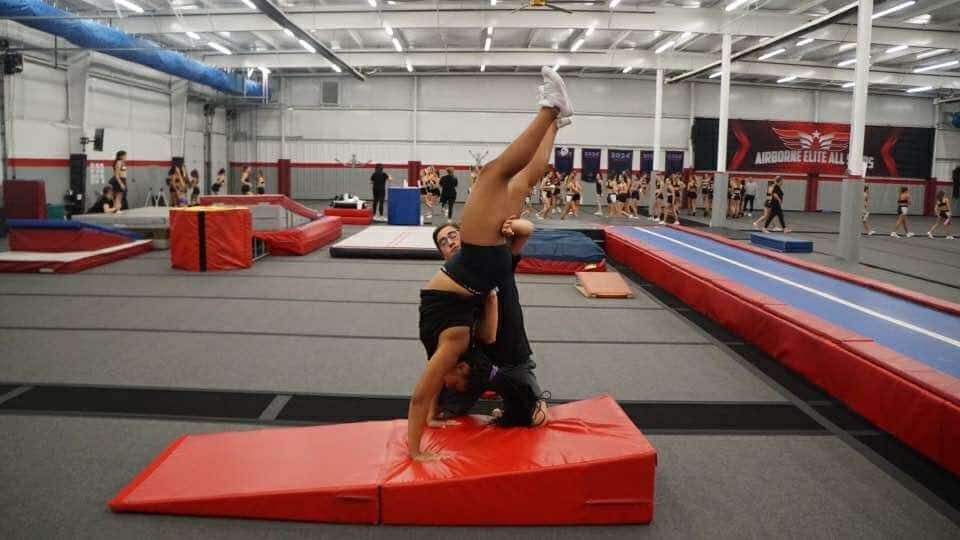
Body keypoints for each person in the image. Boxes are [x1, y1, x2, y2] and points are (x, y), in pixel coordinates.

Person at [408, 67, 571, 461]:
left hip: (488, 269)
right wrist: (416, 452)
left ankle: (559, 123)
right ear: (461, 369)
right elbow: (418, 397)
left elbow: (429, 397)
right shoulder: (453, 345)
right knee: (493, 175)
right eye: (452, 382)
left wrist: (433, 417)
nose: (441, 383)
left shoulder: (460, 346)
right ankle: (550, 110)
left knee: (520, 184)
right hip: (479, 265)